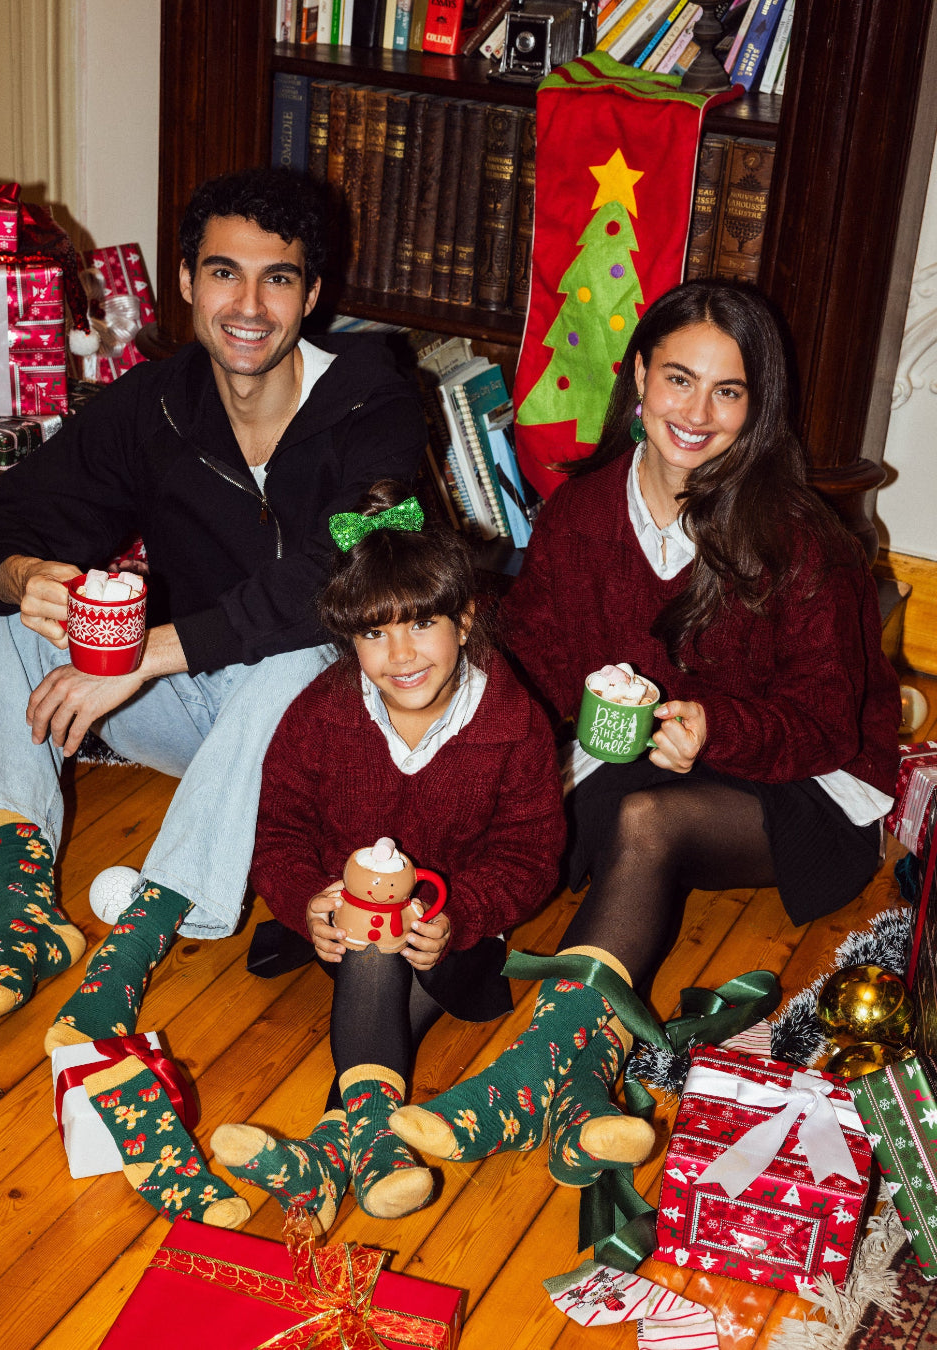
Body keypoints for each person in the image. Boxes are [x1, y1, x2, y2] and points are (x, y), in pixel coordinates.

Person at [388, 281, 901, 1192]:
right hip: (637, 755)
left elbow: (827, 721)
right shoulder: (582, 511)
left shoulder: (799, 541)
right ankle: (376, 1088)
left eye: (727, 391)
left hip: (804, 783)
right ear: (638, 377)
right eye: (678, 379)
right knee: (512, 829)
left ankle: (538, 1071)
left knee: (646, 823)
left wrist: (717, 728)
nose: (696, 414)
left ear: (757, 406)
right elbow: (541, 655)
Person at [0, 168, 427, 1071]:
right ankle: (26, 906)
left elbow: (353, 573)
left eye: (277, 279)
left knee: (305, 656)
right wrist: (26, 574)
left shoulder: (377, 402)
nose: (248, 306)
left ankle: (141, 937)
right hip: (194, 713)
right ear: (187, 282)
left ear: (312, 295)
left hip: (325, 737)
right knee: (15, 614)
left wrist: (148, 653)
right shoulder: (156, 402)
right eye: (223, 273)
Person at [207, 482, 566, 1231]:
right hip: (346, 931)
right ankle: (371, 1143)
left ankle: (330, 1152)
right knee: (372, 946)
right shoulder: (319, 715)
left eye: (423, 624)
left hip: (456, 937)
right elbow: (278, 833)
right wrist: (306, 901)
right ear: (350, 640)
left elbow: (531, 853)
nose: (401, 654)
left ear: (465, 620)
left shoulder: (514, 722)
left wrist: (463, 913)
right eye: (374, 633)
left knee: (389, 954)